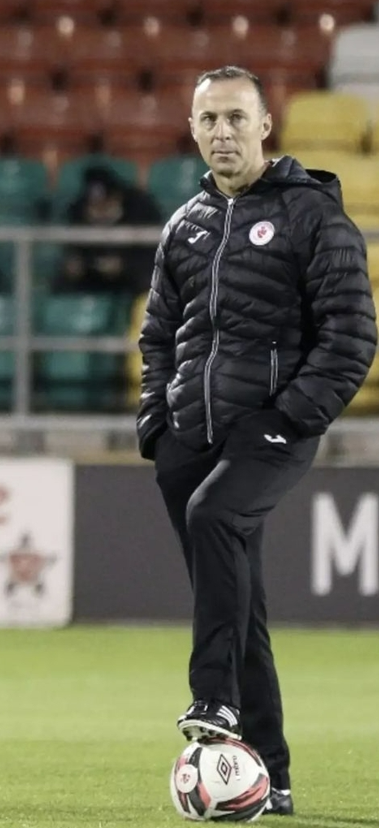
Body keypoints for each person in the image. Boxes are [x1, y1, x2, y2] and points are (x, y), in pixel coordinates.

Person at [136, 66, 377, 815]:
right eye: (208, 119)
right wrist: (156, 426)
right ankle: (272, 776)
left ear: (265, 126)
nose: (222, 133)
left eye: (236, 117)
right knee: (238, 603)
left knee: (215, 517)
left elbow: (350, 335)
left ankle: (213, 699)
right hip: (188, 435)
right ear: (192, 129)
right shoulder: (185, 224)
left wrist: (291, 415)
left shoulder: (312, 216)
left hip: (270, 427)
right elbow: (158, 336)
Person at [54, 165, 162, 296]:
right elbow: (73, 252)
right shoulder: (77, 213)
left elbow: (151, 256)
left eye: (104, 205)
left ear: (117, 198)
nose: (99, 211)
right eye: (94, 206)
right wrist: (75, 264)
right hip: (91, 281)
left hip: (131, 283)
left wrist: (125, 265)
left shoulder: (140, 211)